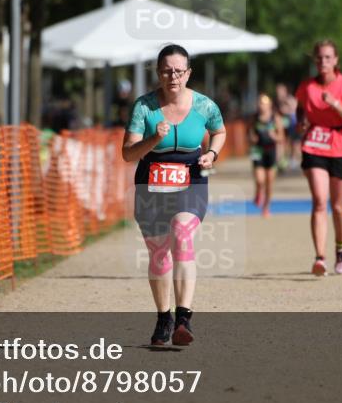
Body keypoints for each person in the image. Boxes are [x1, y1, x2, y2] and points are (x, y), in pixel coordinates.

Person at [122, 44, 226, 347]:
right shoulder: (144, 107)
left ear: (189, 73)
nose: (173, 76)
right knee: (158, 252)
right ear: (158, 72)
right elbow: (128, 153)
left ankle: (184, 317)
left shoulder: (205, 105)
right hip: (150, 182)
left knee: (182, 234)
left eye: (179, 71)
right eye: (167, 70)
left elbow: (219, 131)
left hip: (190, 177)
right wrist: (154, 138)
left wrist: (212, 153)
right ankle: (163, 317)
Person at [295, 40, 342, 276]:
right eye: (319, 58)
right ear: (315, 60)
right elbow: (300, 109)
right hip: (315, 146)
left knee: (338, 206)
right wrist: (301, 121)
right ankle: (320, 257)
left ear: (336, 60)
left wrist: (334, 105)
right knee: (320, 201)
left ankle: (341, 249)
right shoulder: (307, 86)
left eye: (328, 57)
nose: (323, 62)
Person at [248, 93, 284, 216]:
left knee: (269, 182)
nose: (261, 106)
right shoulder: (255, 117)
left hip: (271, 150)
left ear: (269, 105)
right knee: (259, 179)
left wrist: (275, 136)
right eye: (260, 103)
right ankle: (258, 192)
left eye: (264, 104)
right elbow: (250, 133)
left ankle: (266, 207)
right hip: (258, 150)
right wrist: (252, 138)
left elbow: (281, 137)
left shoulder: (275, 118)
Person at [275, 83, 298, 173]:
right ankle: (281, 161)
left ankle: (292, 159)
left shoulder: (290, 99)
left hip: (292, 124)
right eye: (278, 91)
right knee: (281, 142)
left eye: (281, 91)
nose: (279, 93)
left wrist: (286, 109)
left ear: (285, 91)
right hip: (281, 125)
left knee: (292, 143)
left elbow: (294, 109)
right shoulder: (276, 101)